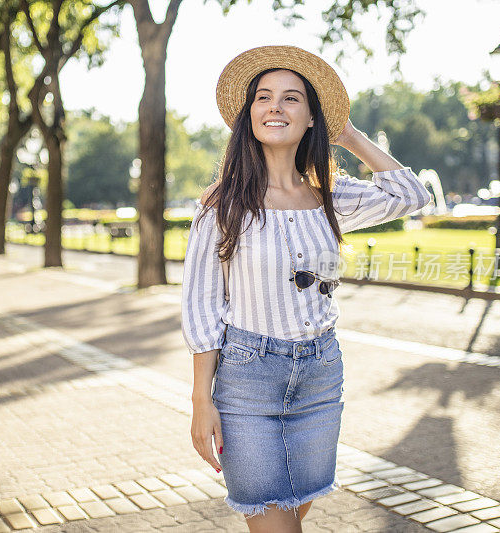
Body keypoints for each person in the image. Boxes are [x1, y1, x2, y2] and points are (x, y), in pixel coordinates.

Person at [181, 45, 432, 533]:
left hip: (320, 377)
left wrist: (351, 136)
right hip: (247, 382)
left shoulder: (330, 196)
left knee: (294, 511)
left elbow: (412, 195)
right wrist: (200, 400)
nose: (275, 106)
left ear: (312, 118)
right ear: (248, 114)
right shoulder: (223, 204)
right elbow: (202, 306)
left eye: (292, 98)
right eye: (264, 97)